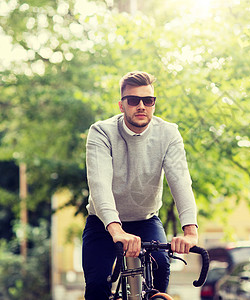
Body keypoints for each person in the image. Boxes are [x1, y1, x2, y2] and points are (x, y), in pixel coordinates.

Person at [82, 71, 198, 300]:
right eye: (133, 100)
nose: (142, 106)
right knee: (97, 285)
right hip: (103, 223)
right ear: (122, 105)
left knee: (161, 270)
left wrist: (190, 231)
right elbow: (99, 186)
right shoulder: (101, 132)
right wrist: (116, 230)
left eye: (148, 100)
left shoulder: (168, 133)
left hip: (146, 220)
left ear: (154, 104)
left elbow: (181, 182)